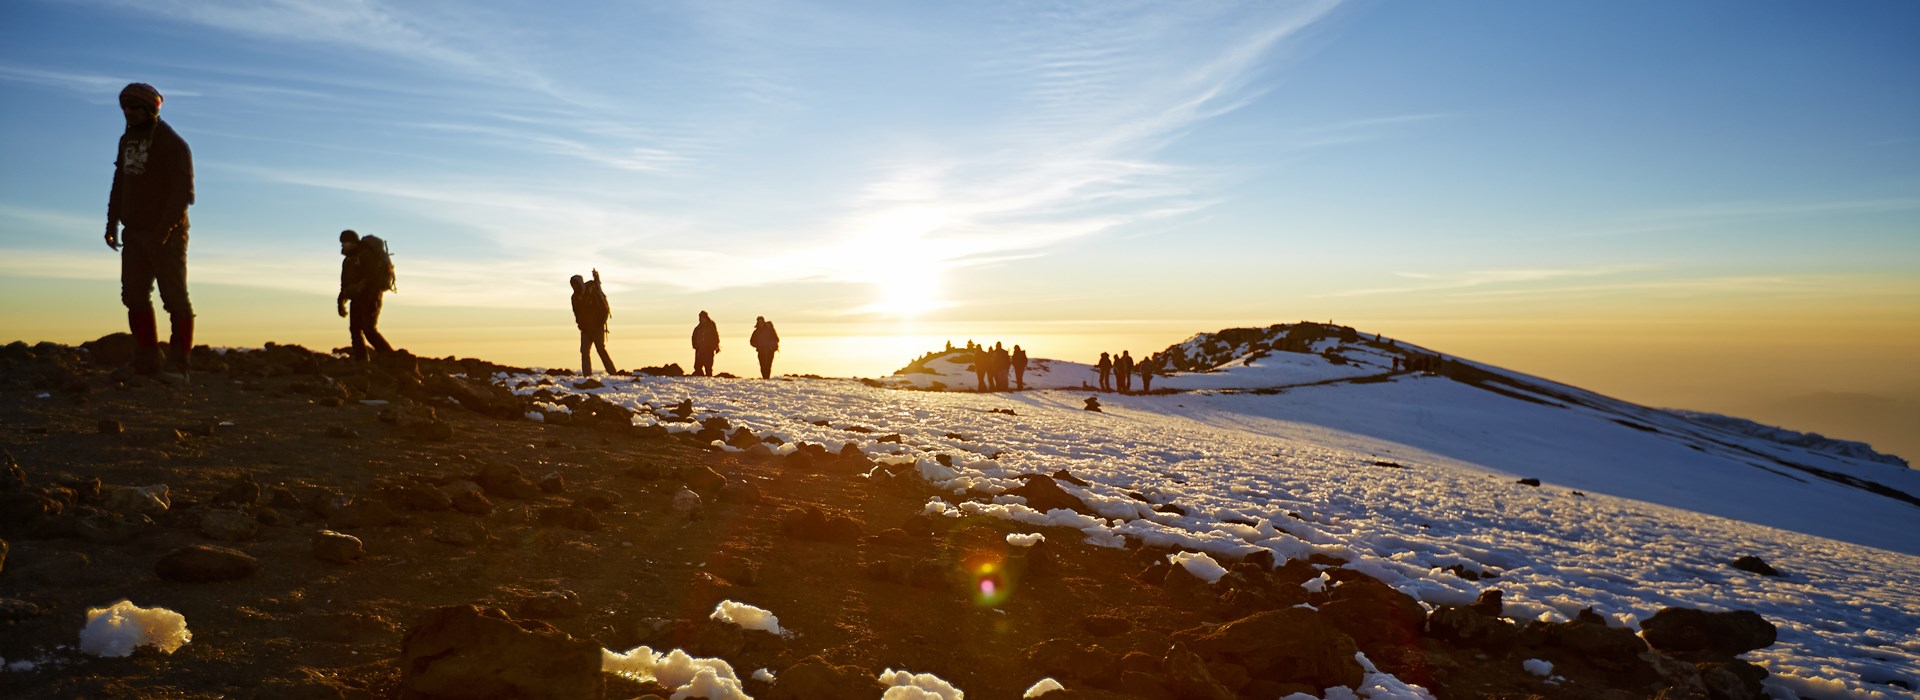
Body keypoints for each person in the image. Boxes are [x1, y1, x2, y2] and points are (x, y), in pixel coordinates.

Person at [105, 82, 195, 377]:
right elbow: (121, 181)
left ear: (150, 109)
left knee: (175, 298)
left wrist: (163, 231)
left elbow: (183, 193)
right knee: (133, 295)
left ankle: (180, 363)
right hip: (134, 232)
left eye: (135, 107)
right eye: (125, 107)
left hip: (167, 234)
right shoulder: (126, 140)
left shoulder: (172, 143)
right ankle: (146, 359)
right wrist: (111, 221)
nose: (129, 112)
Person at [336, 230, 395, 362]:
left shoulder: (366, 255)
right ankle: (362, 362)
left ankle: (390, 358)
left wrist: (364, 292)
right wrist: (341, 302)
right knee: (355, 330)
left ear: (352, 242)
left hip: (371, 297)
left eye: (345, 242)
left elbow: (372, 277)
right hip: (356, 299)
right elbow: (344, 284)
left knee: (369, 330)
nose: (342, 245)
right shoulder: (348, 260)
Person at [570, 269, 616, 375]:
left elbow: (602, 309)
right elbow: (576, 313)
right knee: (585, 352)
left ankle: (612, 373)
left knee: (600, 350)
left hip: (597, 327)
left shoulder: (592, 292)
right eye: (573, 285)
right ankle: (587, 375)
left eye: (576, 284)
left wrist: (599, 323)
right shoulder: (575, 298)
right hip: (585, 329)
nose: (575, 287)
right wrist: (581, 325)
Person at [691, 311, 720, 377]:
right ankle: (701, 381)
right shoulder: (698, 328)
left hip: (709, 350)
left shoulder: (711, 327)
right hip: (699, 350)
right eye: (700, 318)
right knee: (697, 366)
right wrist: (695, 346)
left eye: (702, 317)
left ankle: (708, 383)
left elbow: (715, 336)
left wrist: (716, 346)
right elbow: (693, 337)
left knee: (708, 367)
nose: (701, 319)